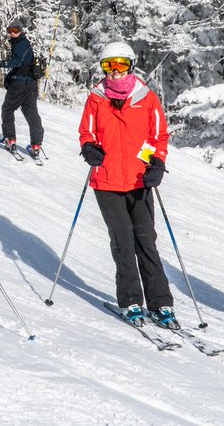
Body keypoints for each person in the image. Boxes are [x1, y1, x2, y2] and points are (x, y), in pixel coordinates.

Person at [78, 41, 178, 329]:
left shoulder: (146, 98)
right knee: (123, 241)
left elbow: (159, 136)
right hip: (107, 181)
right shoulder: (96, 98)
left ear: (131, 65)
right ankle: (131, 301)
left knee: (146, 240)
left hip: (138, 181)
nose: (115, 71)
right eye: (109, 65)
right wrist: (89, 148)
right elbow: (87, 132)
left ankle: (161, 304)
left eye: (121, 64)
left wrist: (156, 163)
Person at [0, 19, 44, 160]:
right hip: (30, 85)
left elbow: (16, 62)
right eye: (9, 31)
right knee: (31, 113)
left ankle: (10, 139)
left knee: (7, 109)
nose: (12, 34)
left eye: (15, 31)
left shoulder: (22, 43)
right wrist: (9, 77)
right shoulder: (20, 43)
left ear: (21, 31)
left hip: (21, 85)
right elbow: (22, 65)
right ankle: (36, 145)